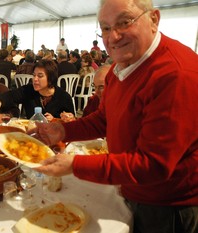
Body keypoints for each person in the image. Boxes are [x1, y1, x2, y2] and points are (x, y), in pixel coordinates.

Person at [29, 0, 198, 233]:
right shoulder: (122, 65)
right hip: (130, 188)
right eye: (106, 28)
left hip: (166, 205)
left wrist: (74, 165)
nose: (113, 36)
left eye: (124, 22)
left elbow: (153, 165)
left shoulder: (176, 74)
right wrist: (63, 130)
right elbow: (104, 119)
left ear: (154, 20)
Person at [0, 60, 75, 122]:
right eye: (34, 75)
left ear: (51, 78)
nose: (35, 79)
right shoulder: (29, 90)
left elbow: (71, 123)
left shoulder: (64, 97)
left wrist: (57, 120)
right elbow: (11, 95)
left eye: (40, 76)